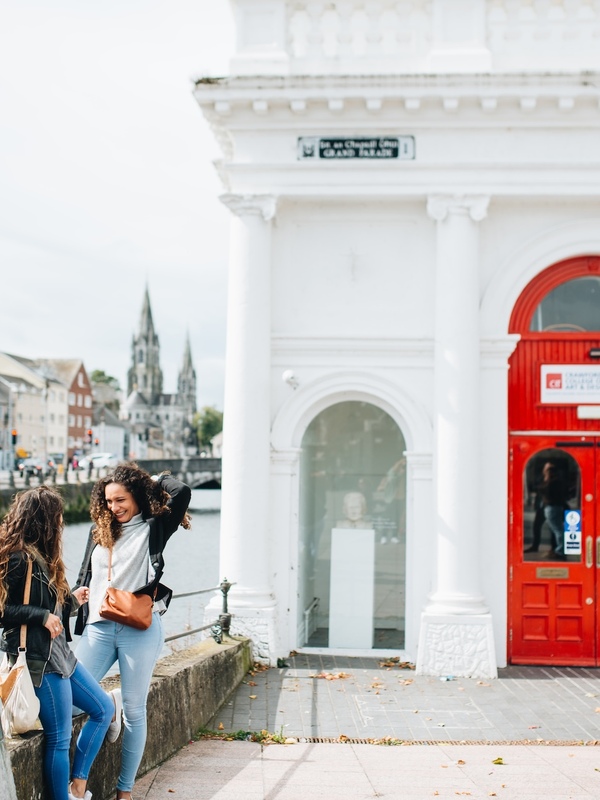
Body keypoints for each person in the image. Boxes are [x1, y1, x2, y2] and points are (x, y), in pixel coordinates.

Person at [73, 464, 191, 800]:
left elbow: (181, 491)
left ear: (137, 496)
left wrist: (153, 480)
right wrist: (79, 593)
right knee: (71, 702)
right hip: (98, 626)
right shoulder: (100, 530)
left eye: (121, 499)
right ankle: (108, 704)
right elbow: (87, 573)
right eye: (108, 501)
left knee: (136, 711)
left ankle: (124, 790)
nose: (114, 507)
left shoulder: (155, 527)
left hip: (138, 629)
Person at [0, 486, 113, 800]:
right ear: (45, 521)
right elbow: (3, 611)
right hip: (40, 661)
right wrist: (39, 615)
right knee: (59, 738)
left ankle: (77, 787)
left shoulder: (42, 556)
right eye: (58, 519)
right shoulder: (19, 558)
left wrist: (72, 602)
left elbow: (51, 609)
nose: (62, 525)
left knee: (102, 709)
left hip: (61, 655)